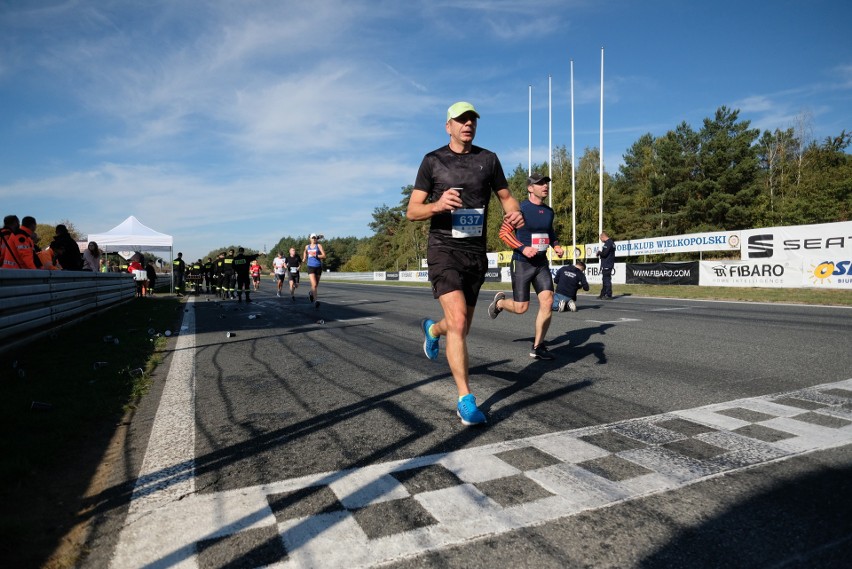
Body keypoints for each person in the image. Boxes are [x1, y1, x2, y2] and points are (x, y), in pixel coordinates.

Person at [406, 101, 524, 426]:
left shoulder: (489, 159)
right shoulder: (433, 161)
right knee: (458, 322)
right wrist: (437, 204)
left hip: (475, 254)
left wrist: (514, 211)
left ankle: (432, 328)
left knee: (460, 327)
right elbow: (412, 210)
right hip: (443, 250)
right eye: (460, 120)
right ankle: (465, 399)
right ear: (449, 126)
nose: (467, 124)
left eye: (472, 119)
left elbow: (506, 197)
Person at [489, 173, 564, 360]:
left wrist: (555, 245)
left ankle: (538, 346)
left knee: (547, 301)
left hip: (541, 264)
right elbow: (504, 233)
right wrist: (523, 248)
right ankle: (499, 303)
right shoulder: (520, 209)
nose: (545, 186)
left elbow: (549, 231)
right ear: (530, 188)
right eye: (540, 183)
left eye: (546, 183)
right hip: (522, 263)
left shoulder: (549, 211)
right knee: (521, 308)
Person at [303, 234, 325, 308]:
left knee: (315, 285)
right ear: (310, 239)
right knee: (314, 284)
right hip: (310, 267)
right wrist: (304, 258)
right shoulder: (307, 246)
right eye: (312, 238)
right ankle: (316, 301)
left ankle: (311, 293)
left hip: (318, 267)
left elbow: (324, 255)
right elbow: (305, 252)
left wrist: (316, 255)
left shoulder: (319, 246)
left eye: (315, 238)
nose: (314, 239)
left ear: (316, 239)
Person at [596, 231, 615, 299]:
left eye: (601, 239)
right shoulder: (612, 243)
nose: (601, 241)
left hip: (607, 264)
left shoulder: (608, 243)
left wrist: (599, 253)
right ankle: (603, 294)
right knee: (604, 280)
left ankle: (608, 295)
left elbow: (604, 254)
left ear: (603, 237)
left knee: (607, 280)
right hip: (609, 264)